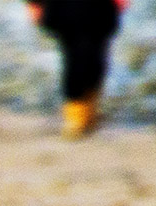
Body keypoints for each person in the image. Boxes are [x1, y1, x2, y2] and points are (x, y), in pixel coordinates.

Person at [26, 0, 127, 138]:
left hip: (100, 7)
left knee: (95, 56)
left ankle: (87, 112)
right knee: (76, 54)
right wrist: (33, 3)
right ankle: (76, 116)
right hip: (63, 7)